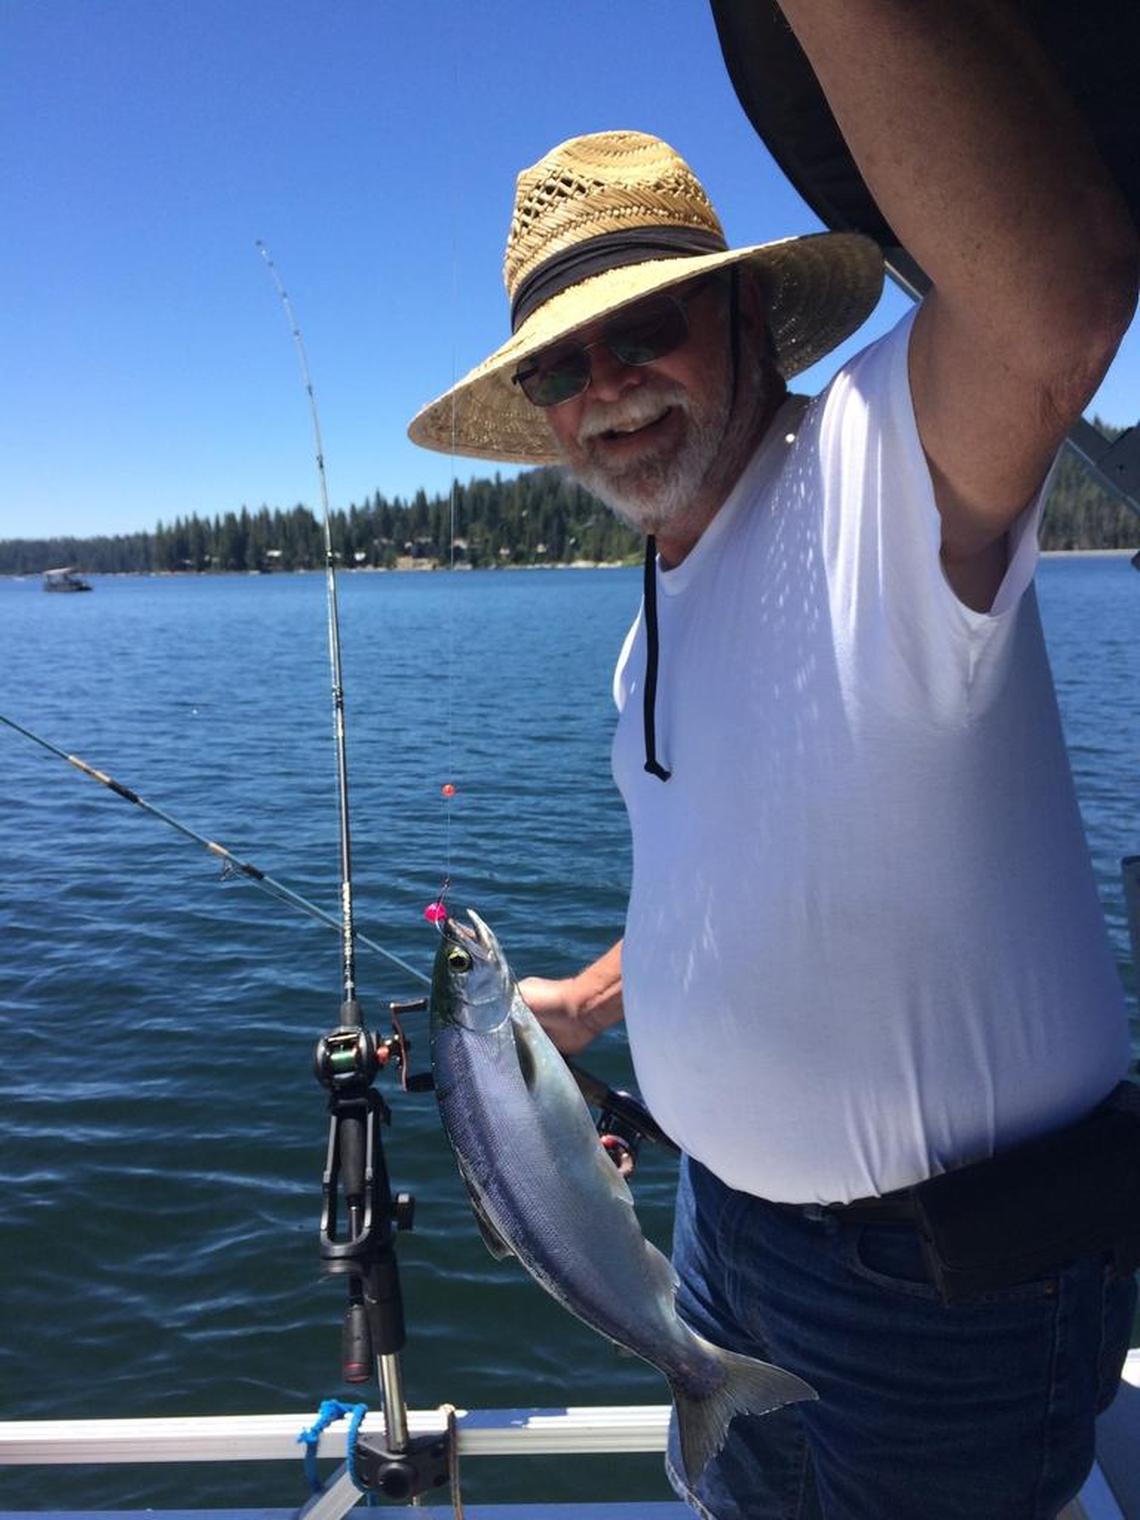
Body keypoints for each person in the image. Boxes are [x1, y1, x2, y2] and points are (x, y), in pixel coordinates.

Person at [408, 7, 1139, 1517]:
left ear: (749, 318)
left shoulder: (873, 458)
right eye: (564, 369)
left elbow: (1054, 302)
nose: (606, 388)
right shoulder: (652, 616)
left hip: (951, 1298)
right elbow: (743, 872)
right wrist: (595, 1002)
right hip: (717, 1245)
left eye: (645, 327)